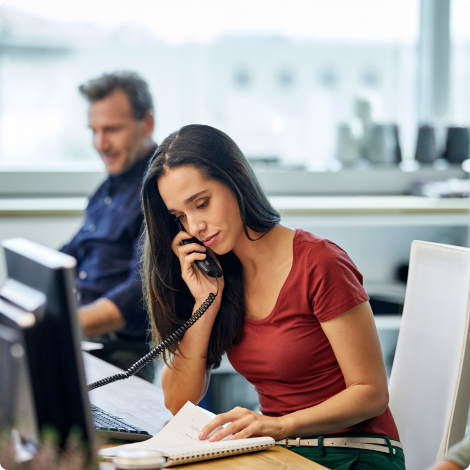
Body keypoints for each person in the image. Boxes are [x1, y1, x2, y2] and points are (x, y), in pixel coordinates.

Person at [140, 124, 405, 469]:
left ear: (236, 176)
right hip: (282, 453)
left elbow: (371, 393)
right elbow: (178, 401)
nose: (194, 227)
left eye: (201, 204)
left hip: (354, 451)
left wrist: (280, 426)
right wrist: (204, 306)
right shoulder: (221, 276)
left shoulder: (320, 263)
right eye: (181, 217)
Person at [61, 71, 157, 381]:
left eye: (112, 130)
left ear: (147, 124)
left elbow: (140, 290)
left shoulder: (158, 189)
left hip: (119, 354)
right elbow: (68, 254)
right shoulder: (108, 188)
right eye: (94, 131)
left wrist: (67, 324)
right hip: (82, 338)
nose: (101, 143)